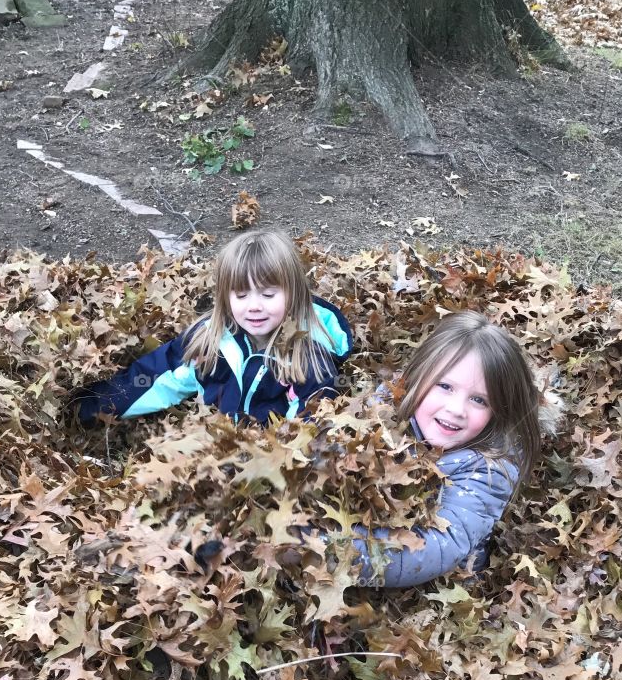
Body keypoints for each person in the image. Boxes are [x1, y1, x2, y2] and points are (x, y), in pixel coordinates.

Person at [74, 229, 354, 426]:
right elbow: (158, 378)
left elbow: (308, 425)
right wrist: (90, 407)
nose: (254, 306)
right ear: (225, 297)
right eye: (241, 296)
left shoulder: (308, 356)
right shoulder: (211, 341)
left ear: (293, 295)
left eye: (268, 295)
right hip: (220, 449)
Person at [347, 312, 543, 588]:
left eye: (478, 400)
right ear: (417, 378)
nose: (456, 409)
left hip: (442, 571)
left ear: (498, 411)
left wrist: (338, 550)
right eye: (445, 386)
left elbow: (436, 548)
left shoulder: (489, 471)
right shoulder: (385, 406)